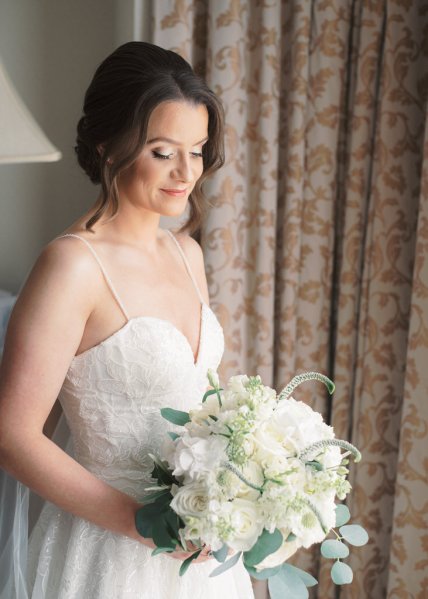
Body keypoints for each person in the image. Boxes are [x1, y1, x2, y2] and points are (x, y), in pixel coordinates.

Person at [0, 42, 254, 598]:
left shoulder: (187, 253)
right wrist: (140, 523)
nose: (187, 172)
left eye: (198, 149)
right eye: (163, 151)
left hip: (200, 551)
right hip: (105, 552)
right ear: (107, 145)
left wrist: (251, 478)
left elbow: (205, 402)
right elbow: (14, 436)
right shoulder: (71, 266)